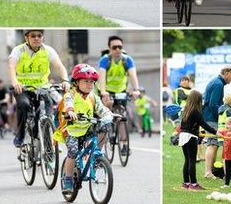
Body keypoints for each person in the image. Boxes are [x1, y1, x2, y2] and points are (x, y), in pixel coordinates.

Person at [53, 64, 113, 195]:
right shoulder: (71, 94)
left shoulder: (93, 97)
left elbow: (102, 109)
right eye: (86, 81)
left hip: (86, 128)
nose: (90, 84)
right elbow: (68, 103)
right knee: (73, 152)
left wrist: (109, 116)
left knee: (104, 128)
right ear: (76, 82)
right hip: (71, 130)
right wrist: (70, 112)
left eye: (92, 82)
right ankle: (68, 179)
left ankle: (96, 154)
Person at [8, 29, 71, 147]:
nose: (36, 38)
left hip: (43, 88)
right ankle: (20, 134)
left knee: (48, 116)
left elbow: (59, 66)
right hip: (23, 89)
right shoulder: (18, 50)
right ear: (27, 38)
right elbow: (11, 67)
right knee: (24, 105)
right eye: (33, 36)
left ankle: (48, 145)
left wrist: (65, 80)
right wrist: (15, 83)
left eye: (39, 35)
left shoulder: (48, 50)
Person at [98, 35, 139, 155]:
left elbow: (133, 75)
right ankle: (105, 138)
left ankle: (125, 145)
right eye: (114, 47)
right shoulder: (105, 60)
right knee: (107, 114)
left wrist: (136, 89)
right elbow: (101, 77)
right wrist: (103, 91)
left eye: (120, 47)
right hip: (107, 91)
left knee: (121, 117)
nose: (117, 49)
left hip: (121, 91)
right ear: (109, 48)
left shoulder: (127, 60)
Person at [180, 90, 217, 190]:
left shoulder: (185, 110)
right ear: (197, 100)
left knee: (187, 160)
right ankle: (194, 184)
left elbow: (184, 126)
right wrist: (215, 132)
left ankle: (186, 183)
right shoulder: (196, 111)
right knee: (192, 160)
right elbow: (203, 124)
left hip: (183, 136)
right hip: (191, 137)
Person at [202, 66, 231, 179]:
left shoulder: (216, 82)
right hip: (211, 118)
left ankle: (212, 170)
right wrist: (222, 116)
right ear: (226, 73)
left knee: (214, 144)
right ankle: (208, 172)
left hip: (209, 117)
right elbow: (213, 105)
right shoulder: (218, 84)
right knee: (212, 144)